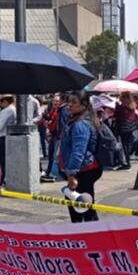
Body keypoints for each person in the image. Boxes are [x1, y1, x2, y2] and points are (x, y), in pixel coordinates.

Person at [59, 92, 102, 222]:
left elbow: (78, 151)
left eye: (74, 102)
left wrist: (71, 175)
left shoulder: (80, 125)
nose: (69, 105)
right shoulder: (76, 120)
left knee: (81, 209)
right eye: (68, 101)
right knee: (82, 207)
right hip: (84, 169)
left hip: (83, 170)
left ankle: (88, 237)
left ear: (83, 105)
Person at [0, 95, 18, 185]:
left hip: (1, 137)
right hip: (5, 136)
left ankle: (0, 180)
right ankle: (2, 179)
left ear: (6, 101)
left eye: (1, 101)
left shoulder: (7, 110)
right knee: (3, 161)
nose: (0, 103)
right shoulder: (12, 109)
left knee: (1, 161)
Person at [113, 91, 138, 170]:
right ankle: (128, 161)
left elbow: (116, 115)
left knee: (124, 145)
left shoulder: (121, 107)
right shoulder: (133, 106)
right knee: (129, 145)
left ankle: (126, 162)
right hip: (132, 127)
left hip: (123, 127)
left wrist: (116, 106)